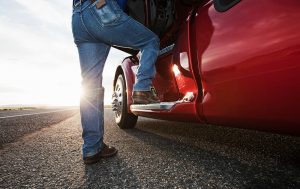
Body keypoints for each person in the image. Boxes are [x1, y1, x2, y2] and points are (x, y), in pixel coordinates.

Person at [72, 0, 160, 164]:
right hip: (101, 8)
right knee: (150, 42)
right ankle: (142, 88)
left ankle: (92, 147)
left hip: (78, 17)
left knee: (90, 85)